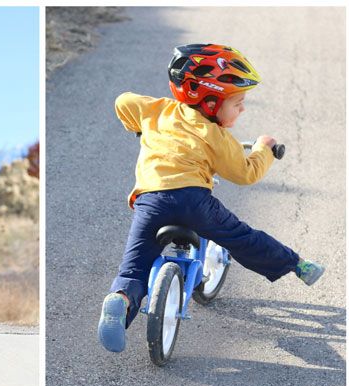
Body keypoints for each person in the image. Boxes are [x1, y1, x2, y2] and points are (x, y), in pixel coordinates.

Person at [97, 44, 325, 352]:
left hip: (151, 201)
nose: (242, 110)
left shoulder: (157, 110)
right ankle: (297, 265)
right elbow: (246, 173)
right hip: (194, 201)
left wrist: (137, 127)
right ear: (210, 101)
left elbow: (123, 101)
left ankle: (120, 299)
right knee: (241, 237)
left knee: (133, 268)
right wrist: (264, 149)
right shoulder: (217, 137)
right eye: (237, 103)